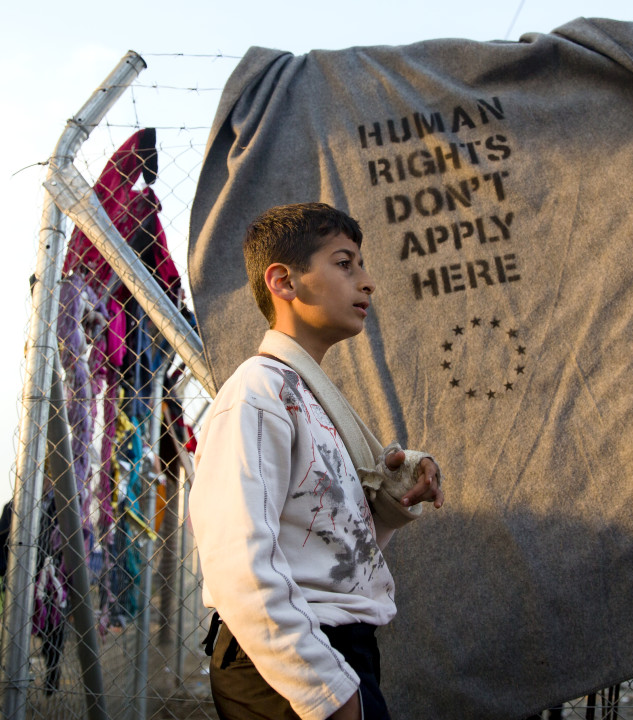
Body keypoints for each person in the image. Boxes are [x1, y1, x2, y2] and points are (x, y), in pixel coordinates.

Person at [190, 203, 444, 720]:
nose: (368, 282)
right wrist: (323, 688)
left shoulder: (306, 395)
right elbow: (237, 560)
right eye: (345, 263)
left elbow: (325, 549)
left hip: (332, 651)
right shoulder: (258, 395)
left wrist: (392, 506)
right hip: (289, 663)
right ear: (283, 281)